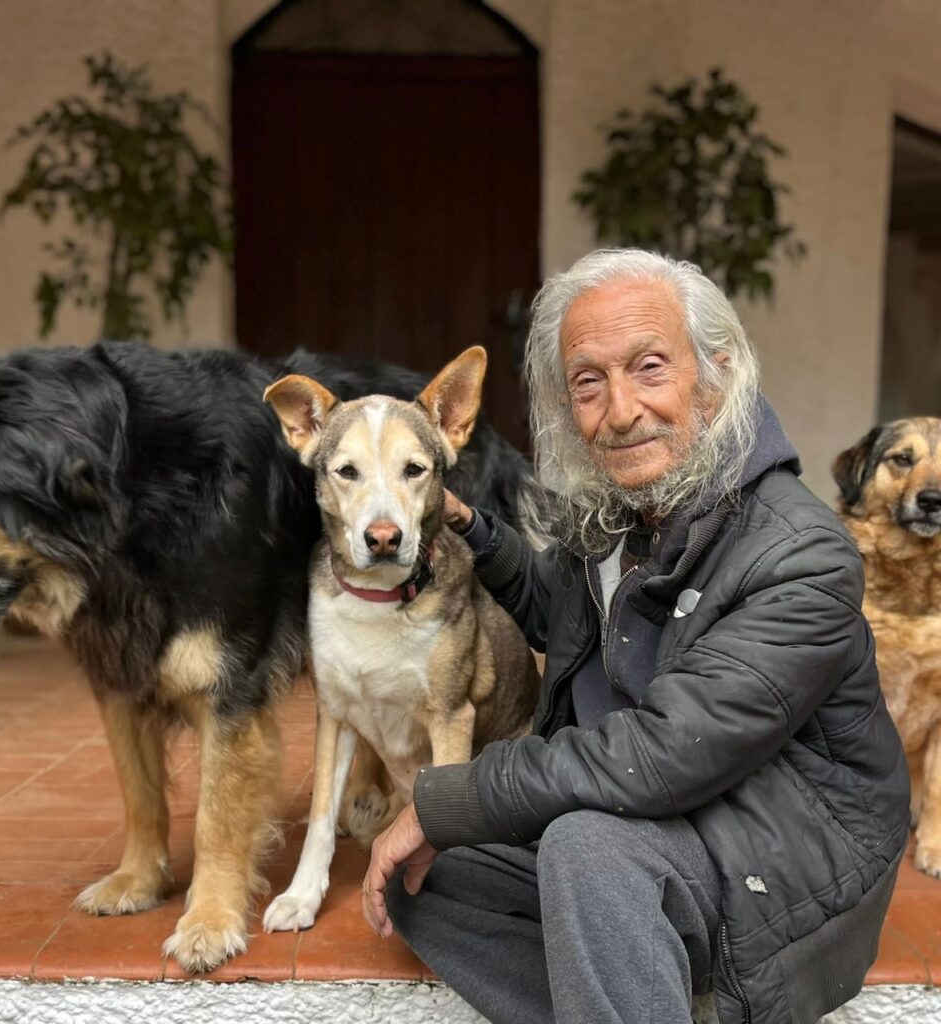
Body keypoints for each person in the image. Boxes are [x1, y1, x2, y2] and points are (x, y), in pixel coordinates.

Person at [361, 249, 909, 1024]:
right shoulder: (627, 515)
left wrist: (445, 798)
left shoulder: (801, 556)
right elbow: (559, 608)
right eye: (588, 382)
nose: (619, 411)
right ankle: (641, 996)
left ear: (715, 379)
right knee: (427, 877)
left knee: (585, 848)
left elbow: (662, 755)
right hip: (659, 824)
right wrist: (473, 530)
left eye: (649, 367)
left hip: (788, 857)